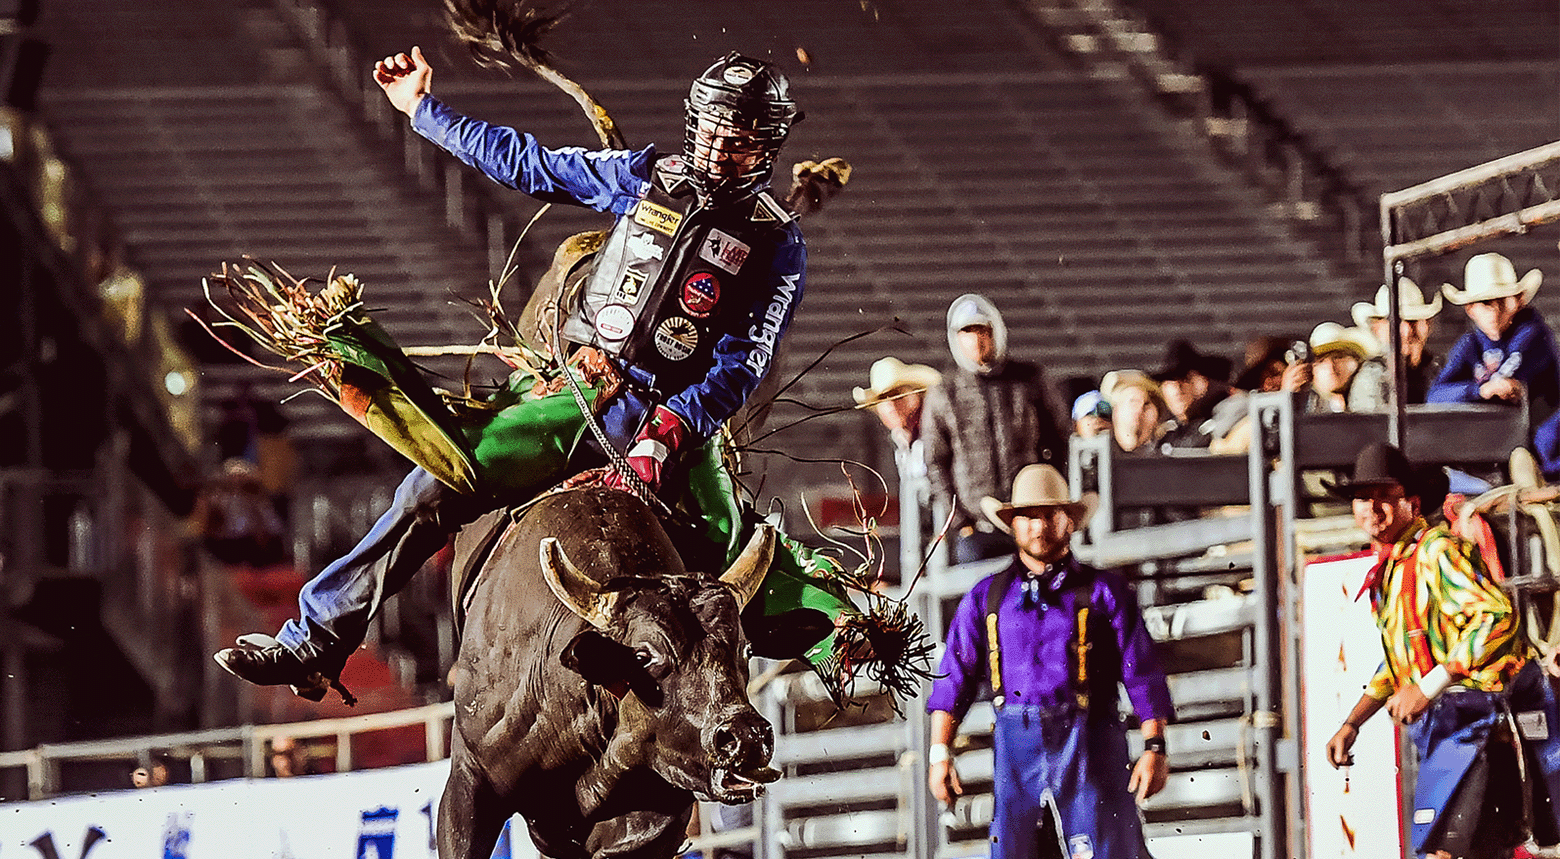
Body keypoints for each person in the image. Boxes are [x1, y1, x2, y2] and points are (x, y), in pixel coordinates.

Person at [215, 47, 863, 698]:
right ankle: (316, 642)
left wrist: (668, 429)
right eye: (718, 132)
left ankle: (849, 643)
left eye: (744, 141)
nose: (725, 151)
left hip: (670, 416)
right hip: (580, 388)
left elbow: (744, 361)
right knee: (432, 485)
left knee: (732, 543)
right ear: (696, 124)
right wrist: (422, 110)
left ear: (768, 146)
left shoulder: (776, 244)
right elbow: (531, 165)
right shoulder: (644, 176)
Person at [927, 464, 1171, 859]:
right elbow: (952, 679)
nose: (1039, 525)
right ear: (1013, 525)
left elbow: (1141, 670)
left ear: (1068, 521)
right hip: (1017, 746)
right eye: (1028, 516)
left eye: (1049, 514)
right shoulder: (987, 597)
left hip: (1090, 741)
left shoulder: (1104, 592)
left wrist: (1155, 743)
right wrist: (940, 751)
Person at [1321, 443, 1560, 859]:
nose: (1371, 509)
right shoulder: (1396, 568)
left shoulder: (1435, 553)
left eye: (1382, 496)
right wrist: (1356, 718)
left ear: (1409, 501)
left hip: (1483, 719)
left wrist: (1429, 686)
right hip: (1455, 724)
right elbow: (1399, 659)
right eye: (1361, 499)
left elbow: (1496, 618)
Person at [921, 294, 1064, 564]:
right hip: (978, 528)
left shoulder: (1030, 380)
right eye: (967, 332)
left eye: (982, 330)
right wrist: (962, 522)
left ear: (996, 331)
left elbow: (1058, 439)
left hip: (1031, 520)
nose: (976, 340)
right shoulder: (944, 393)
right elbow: (935, 460)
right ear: (956, 338)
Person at [1428, 253, 1560, 479]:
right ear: (1470, 309)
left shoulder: (1534, 335)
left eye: (1504, 300)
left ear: (1520, 300)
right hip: (1500, 456)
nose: (1495, 310)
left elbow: (1507, 383)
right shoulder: (1470, 344)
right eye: (1486, 303)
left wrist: (1483, 390)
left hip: (1548, 458)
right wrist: (1479, 390)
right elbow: (1435, 396)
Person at [855, 356, 942, 585]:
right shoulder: (902, 442)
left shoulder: (934, 432)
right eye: (883, 398)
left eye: (897, 394)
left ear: (916, 394)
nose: (891, 405)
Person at [1351, 278, 1441, 410]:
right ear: (1377, 328)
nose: (1407, 331)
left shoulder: (1440, 368)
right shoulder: (1371, 377)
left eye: (1414, 321)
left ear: (1428, 324)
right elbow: (1369, 426)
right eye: (1396, 323)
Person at [1152, 339, 1233, 450]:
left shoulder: (1225, 414)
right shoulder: (1166, 436)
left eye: (1185, 379)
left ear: (1201, 383)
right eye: (1170, 380)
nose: (1178, 388)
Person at [1101, 369, 1166, 454]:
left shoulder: (1166, 448)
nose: (1139, 411)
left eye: (1146, 404)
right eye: (1133, 402)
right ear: (1115, 412)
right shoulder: (1101, 450)